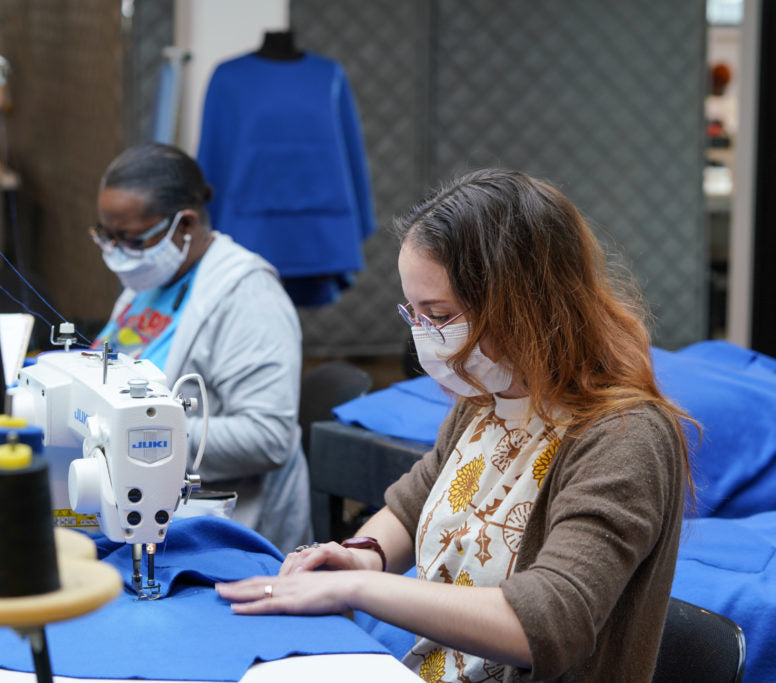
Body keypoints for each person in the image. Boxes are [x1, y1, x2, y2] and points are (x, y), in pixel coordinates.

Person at [216, 169, 693, 681]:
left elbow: (551, 619)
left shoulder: (624, 437)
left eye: (439, 315)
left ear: (525, 306)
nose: (424, 336)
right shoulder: (487, 397)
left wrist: (357, 589)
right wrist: (361, 556)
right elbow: (409, 506)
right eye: (414, 314)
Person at [91, 142, 312, 554]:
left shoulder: (248, 296)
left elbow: (269, 437)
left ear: (185, 225)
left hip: (220, 532)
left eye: (132, 240)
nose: (118, 253)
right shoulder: (147, 282)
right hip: (135, 510)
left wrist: (139, 436)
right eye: (107, 237)